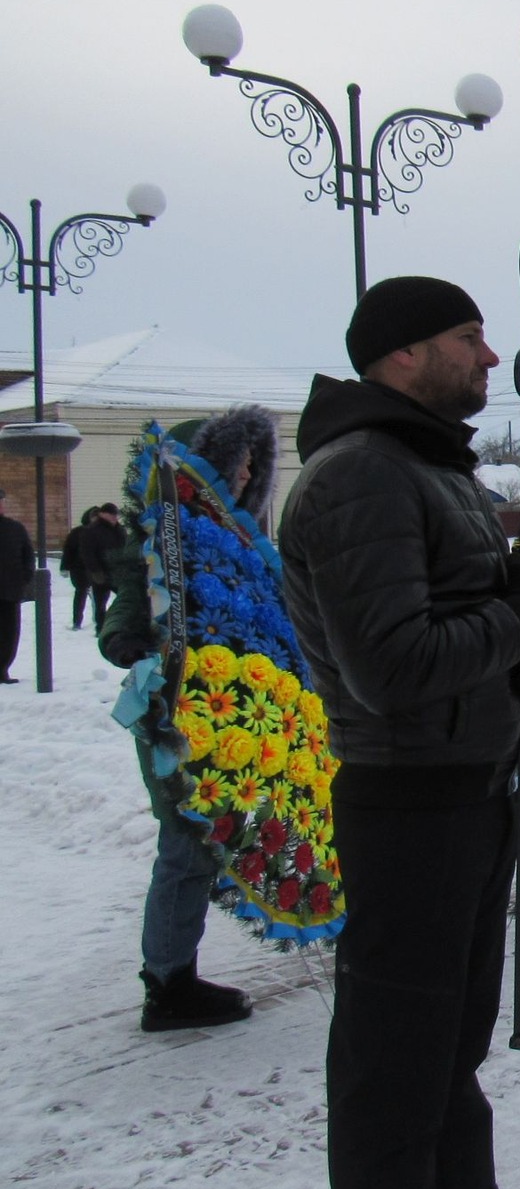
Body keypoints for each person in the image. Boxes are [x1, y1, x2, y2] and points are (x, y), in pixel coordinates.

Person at [277, 276, 520, 1189]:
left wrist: (516, 643)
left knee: (451, 1044)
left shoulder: (432, 467)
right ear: (402, 353)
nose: (489, 357)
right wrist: (514, 620)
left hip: (466, 786)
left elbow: (458, 625)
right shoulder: (362, 473)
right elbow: (394, 667)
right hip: (408, 800)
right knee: (394, 1059)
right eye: (467, 337)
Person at [100, 408, 281, 1031]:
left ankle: (174, 972)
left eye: (253, 465)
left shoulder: (243, 541)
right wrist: (133, 643)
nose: (246, 474)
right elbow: (128, 607)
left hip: (232, 715)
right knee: (185, 844)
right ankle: (168, 985)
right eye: (235, 463)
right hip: (175, 714)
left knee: (203, 844)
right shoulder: (159, 541)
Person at [0, 486, 30, 683]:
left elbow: (27, 556)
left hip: (9, 591)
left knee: (8, 634)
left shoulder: (14, 528)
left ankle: (2, 669)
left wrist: (23, 579)